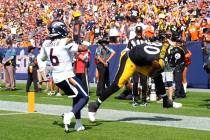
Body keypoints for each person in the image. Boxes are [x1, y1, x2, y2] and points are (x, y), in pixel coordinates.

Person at [88, 36, 185, 122]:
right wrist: (158, 68)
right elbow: (152, 73)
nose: (173, 66)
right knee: (117, 85)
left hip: (141, 60)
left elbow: (168, 43)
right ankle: (94, 105)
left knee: (157, 75)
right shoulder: (159, 61)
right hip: (130, 59)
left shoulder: (167, 46)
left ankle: (166, 102)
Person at [38, 20, 89, 132]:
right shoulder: (65, 41)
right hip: (67, 75)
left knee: (76, 97)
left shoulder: (46, 43)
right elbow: (83, 48)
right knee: (85, 97)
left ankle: (78, 124)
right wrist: (88, 39)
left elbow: (42, 58)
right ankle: (69, 115)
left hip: (57, 78)